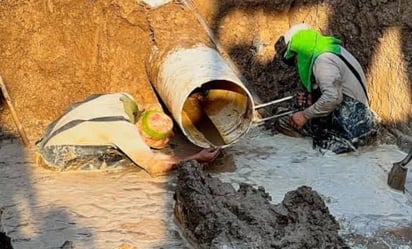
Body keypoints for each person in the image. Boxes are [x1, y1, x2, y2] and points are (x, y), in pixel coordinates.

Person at [35, 92, 221, 176]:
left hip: (54, 131)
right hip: (55, 154)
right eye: (160, 141)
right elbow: (155, 168)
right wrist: (196, 158)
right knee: (126, 162)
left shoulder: (125, 99)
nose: (166, 142)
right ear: (144, 137)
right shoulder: (126, 132)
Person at [273, 23, 379, 153]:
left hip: (352, 127)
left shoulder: (323, 60)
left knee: (284, 121)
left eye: (295, 59)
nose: (297, 64)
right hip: (361, 121)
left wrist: (304, 115)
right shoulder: (331, 50)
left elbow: (332, 97)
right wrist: (313, 99)